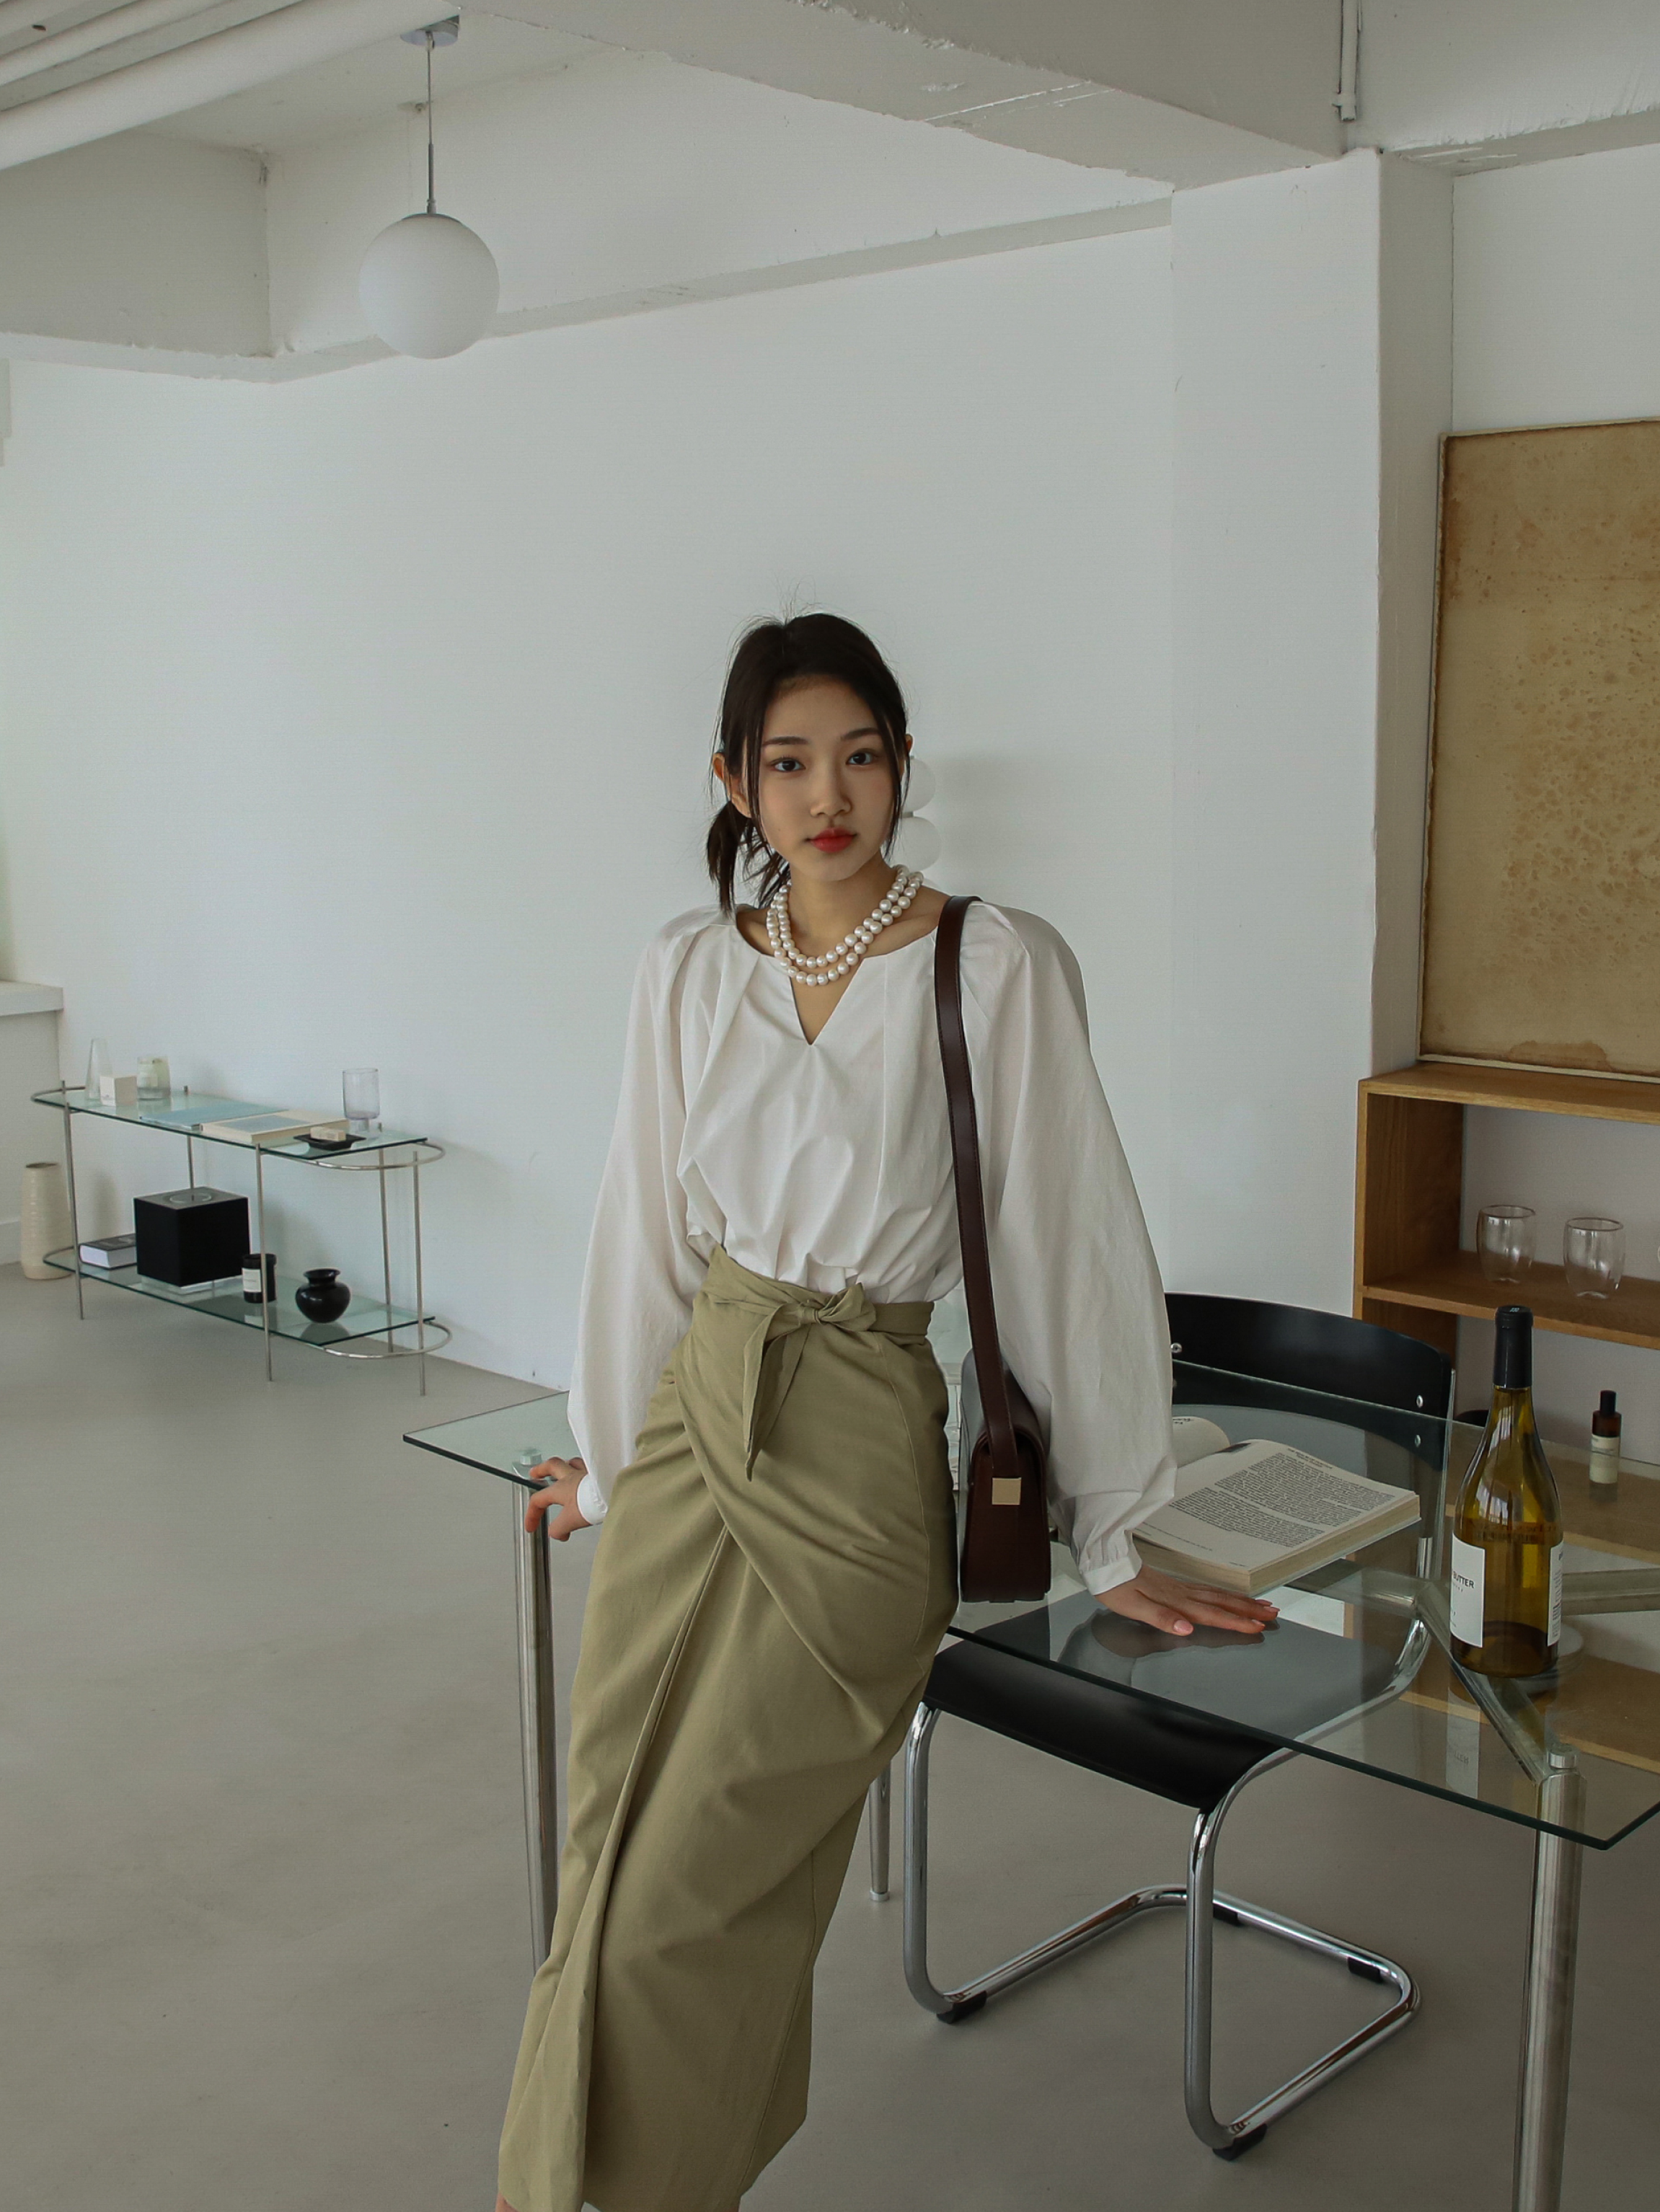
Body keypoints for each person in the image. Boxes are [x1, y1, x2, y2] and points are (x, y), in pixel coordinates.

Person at [495, 614, 1275, 2212]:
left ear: (903, 766)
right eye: (786, 762)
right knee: (606, 1848)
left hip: (858, 1442)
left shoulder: (989, 961)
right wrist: (611, 1450)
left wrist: (1113, 1514)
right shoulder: (688, 967)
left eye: (860, 753)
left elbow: (1065, 1237)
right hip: (697, 1409)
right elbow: (640, 1228)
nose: (826, 791)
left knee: (697, 1885)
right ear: (731, 782)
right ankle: (539, 2192)